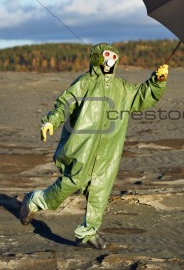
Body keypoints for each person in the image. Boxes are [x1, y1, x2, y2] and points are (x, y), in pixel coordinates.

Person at [20, 42, 168, 249]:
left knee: (101, 189)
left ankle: (87, 233)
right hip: (82, 147)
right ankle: (36, 200)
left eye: (114, 57)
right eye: (107, 55)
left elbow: (141, 97)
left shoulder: (122, 87)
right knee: (72, 181)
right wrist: (50, 122)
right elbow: (64, 104)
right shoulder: (84, 83)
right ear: (98, 58)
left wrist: (157, 81)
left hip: (108, 151)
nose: (110, 60)